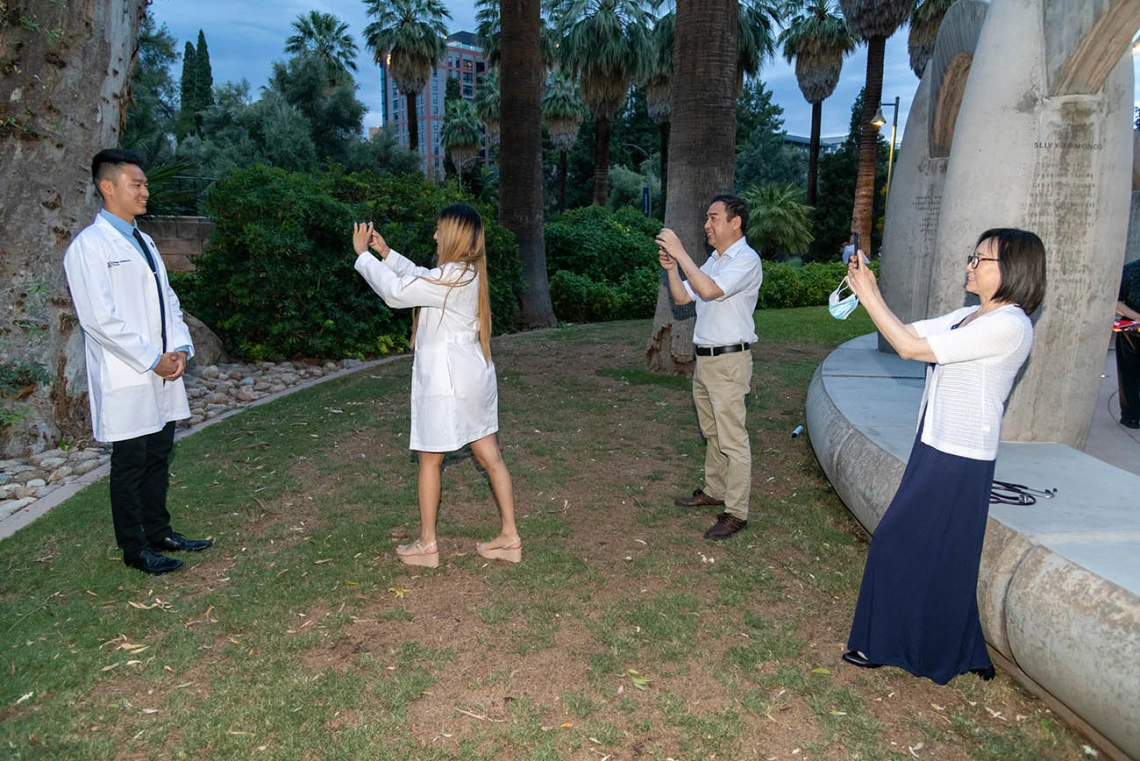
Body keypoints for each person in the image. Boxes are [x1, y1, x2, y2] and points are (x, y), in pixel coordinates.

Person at [840, 228, 1046, 684]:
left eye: (981, 260)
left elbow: (910, 349)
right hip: (935, 443)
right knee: (945, 555)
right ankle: (959, 649)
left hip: (961, 456)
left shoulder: (1010, 325)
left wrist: (870, 293)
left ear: (1013, 270)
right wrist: (870, 292)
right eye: (972, 257)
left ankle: (887, 644)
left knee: (898, 541)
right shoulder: (973, 316)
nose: (970, 265)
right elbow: (909, 332)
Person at [63, 149, 212, 576]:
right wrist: (151, 359)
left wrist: (180, 349)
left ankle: (160, 532)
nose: (146, 191)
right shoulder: (89, 247)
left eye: (145, 184)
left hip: (162, 370)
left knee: (158, 454)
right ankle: (135, 548)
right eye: (137, 184)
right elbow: (99, 319)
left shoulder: (142, 240)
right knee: (129, 463)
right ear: (108, 187)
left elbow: (168, 301)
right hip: (127, 373)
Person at [351, 206, 521, 567]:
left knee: (430, 459)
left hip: (448, 382)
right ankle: (509, 537)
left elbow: (398, 293)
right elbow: (423, 277)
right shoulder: (464, 273)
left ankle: (428, 544)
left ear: (454, 235)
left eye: (439, 230)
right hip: (472, 377)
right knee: (490, 456)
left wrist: (363, 258)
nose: (434, 236)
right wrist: (387, 254)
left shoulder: (450, 278)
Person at [657, 195, 764, 540]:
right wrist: (672, 268)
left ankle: (736, 512)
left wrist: (681, 252)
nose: (707, 225)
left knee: (733, 439)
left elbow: (709, 290)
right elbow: (683, 297)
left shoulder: (745, 260)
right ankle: (714, 490)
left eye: (714, 218)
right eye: (707, 218)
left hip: (731, 361)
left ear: (736, 223)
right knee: (713, 432)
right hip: (707, 361)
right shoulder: (715, 260)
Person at [1114, 258, 1140, 429]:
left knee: (1129, 373)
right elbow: (1115, 301)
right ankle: (1130, 416)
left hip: (1132, 327)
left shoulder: (1131, 269)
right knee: (1129, 373)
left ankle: (1130, 417)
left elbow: (1116, 301)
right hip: (1132, 330)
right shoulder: (1131, 270)